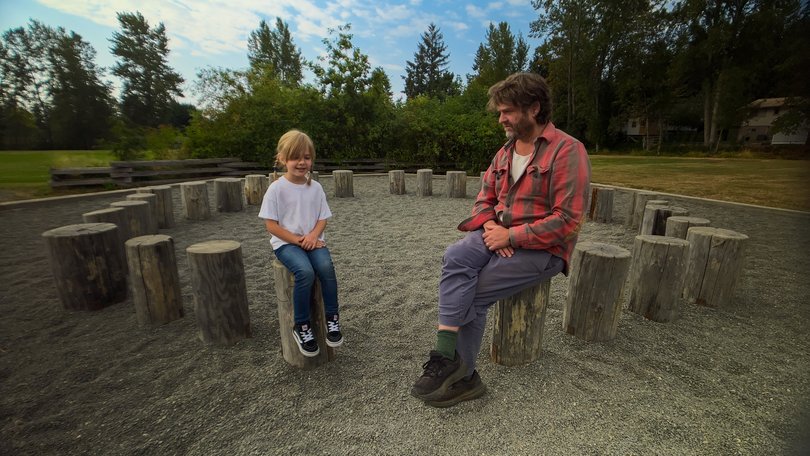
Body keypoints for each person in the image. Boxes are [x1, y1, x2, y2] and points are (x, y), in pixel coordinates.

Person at [410, 73, 591, 407]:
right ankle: (446, 356)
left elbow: (569, 220)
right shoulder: (504, 153)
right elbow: (484, 199)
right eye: (500, 112)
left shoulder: (568, 151)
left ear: (534, 108)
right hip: (497, 232)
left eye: (507, 111)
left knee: (475, 292)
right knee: (456, 256)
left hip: (544, 248)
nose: (501, 119)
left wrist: (513, 236)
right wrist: (493, 225)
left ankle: (464, 377)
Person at [259, 129, 343, 357]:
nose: (302, 162)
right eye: (296, 157)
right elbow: (271, 225)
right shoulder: (276, 189)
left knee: (326, 268)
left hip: (313, 241)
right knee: (305, 272)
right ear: (282, 159)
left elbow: (322, 217)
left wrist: (314, 236)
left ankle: (332, 319)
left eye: (306, 157)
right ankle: (302, 325)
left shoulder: (315, 187)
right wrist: (299, 240)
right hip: (286, 244)